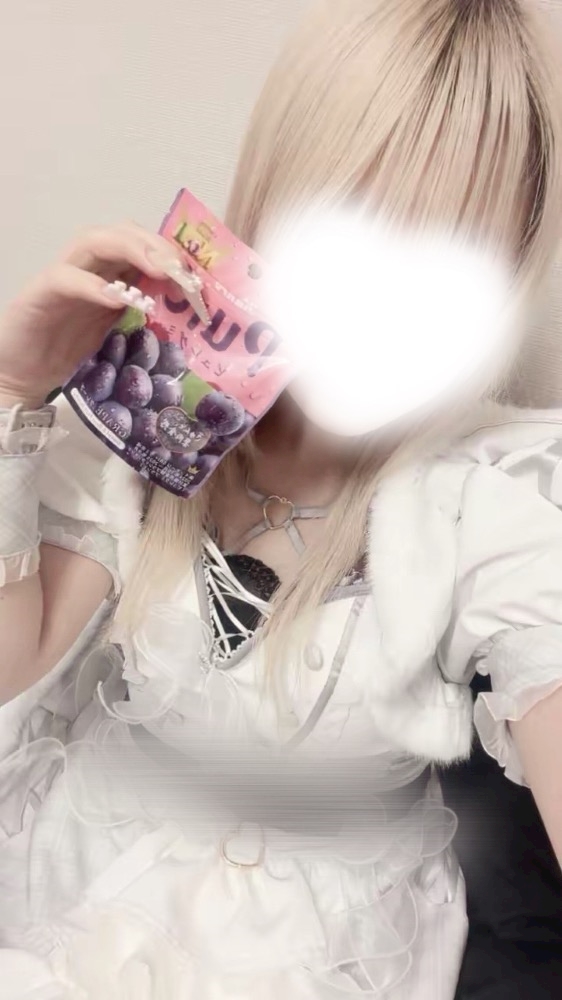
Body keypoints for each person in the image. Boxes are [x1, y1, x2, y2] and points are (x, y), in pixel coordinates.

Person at [0, 0, 561, 997]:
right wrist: (11, 393)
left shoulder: (489, 499)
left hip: (328, 952)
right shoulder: (155, 400)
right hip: (86, 885)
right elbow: (16, 662)